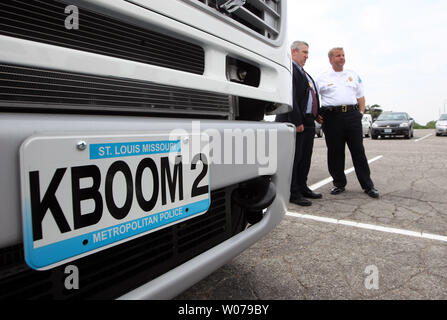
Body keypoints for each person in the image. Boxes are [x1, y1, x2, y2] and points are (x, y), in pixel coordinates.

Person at [316, 47, 379, 198]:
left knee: (358, 151)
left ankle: (368, 186)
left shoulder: (352, 75)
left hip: (352, 116)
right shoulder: (323, 78)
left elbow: (361, 96)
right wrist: (316, 114)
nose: (342, 58)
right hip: (331, 117)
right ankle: (338, 184)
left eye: (343, 55)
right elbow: (312, 96)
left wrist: (361, 112)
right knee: (335, 152)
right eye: (338, 55)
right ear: (331, 59)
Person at [276, 41, 322, 206]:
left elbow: (309, 96)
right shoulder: (290, 70)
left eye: (308, 53)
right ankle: (292, 192)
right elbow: (290, 97)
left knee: (305, 158)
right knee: (294, 159)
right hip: (294, 122)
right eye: (304, 52)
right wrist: (296, 121)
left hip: (307, 121)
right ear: (293, 52)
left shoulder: (304, 73)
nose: (307, 56)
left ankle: (303, 187)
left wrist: (316, 115)